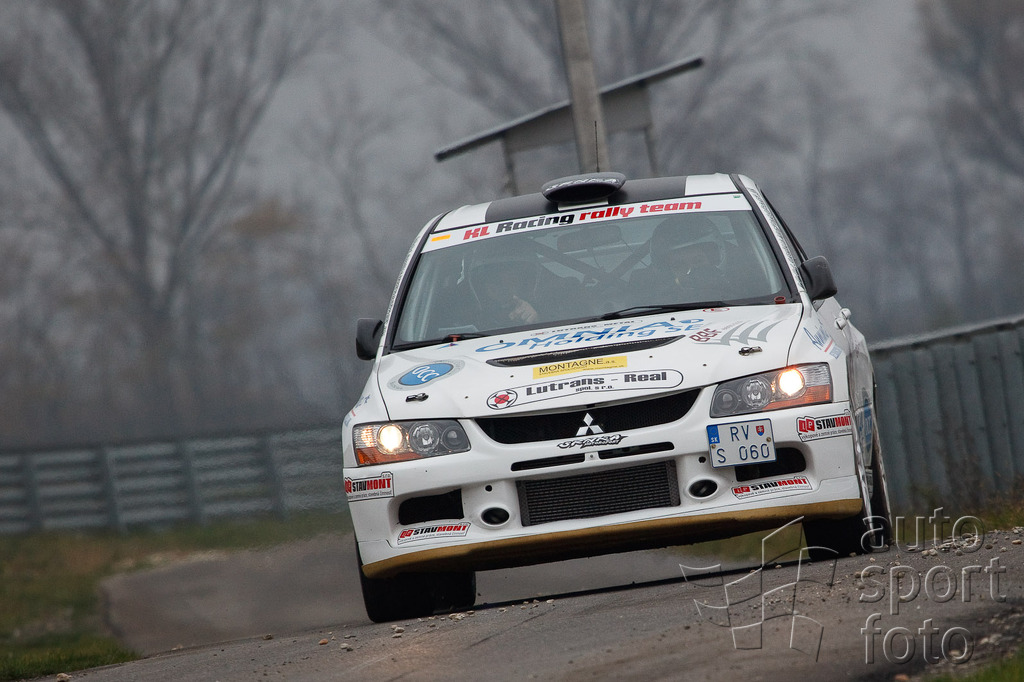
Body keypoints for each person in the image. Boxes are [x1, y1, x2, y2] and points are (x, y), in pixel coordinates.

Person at [631, 214, 735, 302]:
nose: (691, 270)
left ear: (713, 260)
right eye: (679, 265)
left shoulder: (740, 291)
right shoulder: (654, 304)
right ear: (668, 271)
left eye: (698, 261)